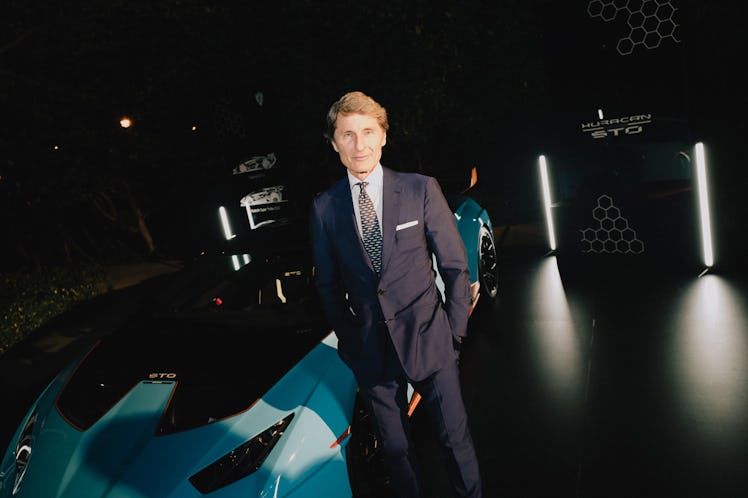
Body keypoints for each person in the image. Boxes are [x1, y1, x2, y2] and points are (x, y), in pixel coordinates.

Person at [309, 90, 482, 498]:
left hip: (431, 341)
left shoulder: (421, 189)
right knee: (395, 451)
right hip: (372, 353)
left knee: (455, 444)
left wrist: (453, 332)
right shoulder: (324, 208)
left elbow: (456, 267)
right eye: (347, 134)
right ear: (334, 143)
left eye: (368, 131)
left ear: (384, 136)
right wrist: (352, 341)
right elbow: (328, 286)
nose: (359, 144)